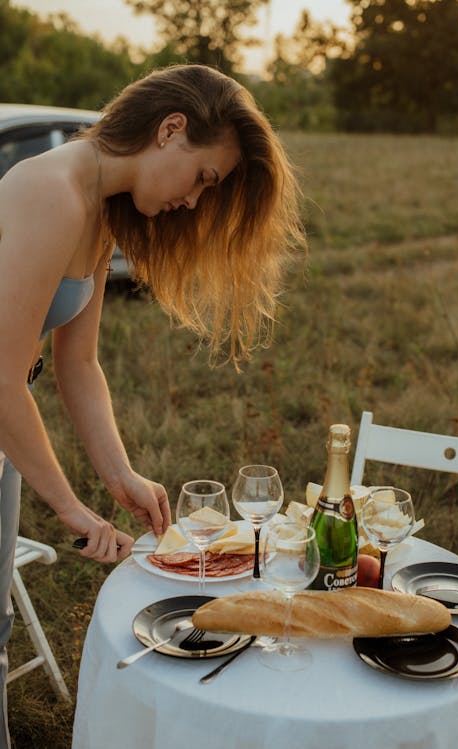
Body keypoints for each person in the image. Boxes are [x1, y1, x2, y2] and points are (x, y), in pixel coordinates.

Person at [0, 63, 304, 746]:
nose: (197, 202)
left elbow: (78, 365)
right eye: (204, 178)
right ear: (171, 129)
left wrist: (119, 476)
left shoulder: (96, 210)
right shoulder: (52, 192)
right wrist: (73, 508)